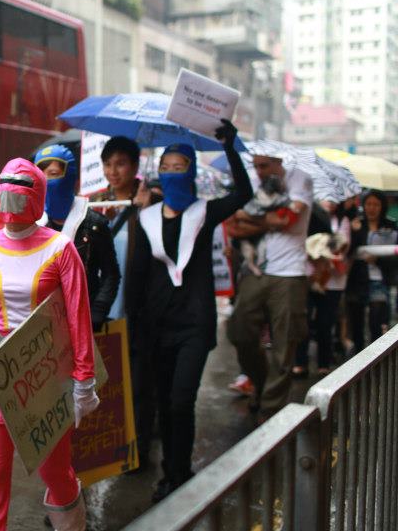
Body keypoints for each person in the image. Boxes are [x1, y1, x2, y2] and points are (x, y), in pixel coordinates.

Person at [0, 158, 98, 531]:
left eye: (22, 185)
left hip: (45, 371)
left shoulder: (61, 247)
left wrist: (84, 382)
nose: (12, 193)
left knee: (54, 468)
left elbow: (77, 317)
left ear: (38, 194)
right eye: (6, 183)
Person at [126, 121, 251, 502]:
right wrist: (133, 328)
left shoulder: (205, 212)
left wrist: (230, 146)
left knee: (181, 400)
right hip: (156, 327)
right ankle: (173, 473)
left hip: (194, 327)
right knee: (165, 403)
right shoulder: (146, 219)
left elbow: (244, 192)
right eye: (166, 166)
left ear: (191, 172)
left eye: (180, 166)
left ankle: (180, 473)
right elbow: (136, 277)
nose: (172, 172)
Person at [227, 153, 313, 420]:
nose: (259, 171)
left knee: (284, 344)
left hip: (289, 273)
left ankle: (271, 408)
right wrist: (267, 219)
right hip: (255, 270)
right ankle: (261, 385)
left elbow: (287, 220)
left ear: (280, 162)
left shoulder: (300, 179)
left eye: (264, 166)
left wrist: (249, 217)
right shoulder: (251, 182)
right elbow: (233, 227)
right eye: (256, 166)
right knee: (239, 332)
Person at [89, 136, 156, 467]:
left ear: (135, 166)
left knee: (138, 382)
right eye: (107, 164)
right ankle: (110, 446)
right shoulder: (95, 204)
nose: (113, 171)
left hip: (136, 305)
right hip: (104, 305)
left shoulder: (151, 202)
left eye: (120, 164)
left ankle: (138, 448)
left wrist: (144, 212)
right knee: (107, 381)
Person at [34, 144, 120, 331]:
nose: (47, 181)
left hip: (85, 319)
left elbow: (111, 274)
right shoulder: (35, 224)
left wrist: (97, 314)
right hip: (44, 325)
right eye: (41, 175)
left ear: (70, 176)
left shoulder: (94, 223)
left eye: (53, 174)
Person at [293, 197, 350, 378]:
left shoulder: (342, 221)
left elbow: (343, 248)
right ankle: (300, 362)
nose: (330, 202)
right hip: (307, 277)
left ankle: (323, 363)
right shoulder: (306, 216)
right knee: (303, 320)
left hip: (332, 282)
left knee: (325, 323)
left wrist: (325, 254)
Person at [346, 190, 398, 352]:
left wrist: (378, 260)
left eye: (376, 204)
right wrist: (354, 232)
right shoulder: (356, 224)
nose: (372, 208)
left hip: (380, 279)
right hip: (357, 279)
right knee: (356, 320)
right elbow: (348, 251)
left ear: (382, 206)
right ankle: (358, 353)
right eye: (368, 204)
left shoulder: (390, 225)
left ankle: (375, 354)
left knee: (377, 318)